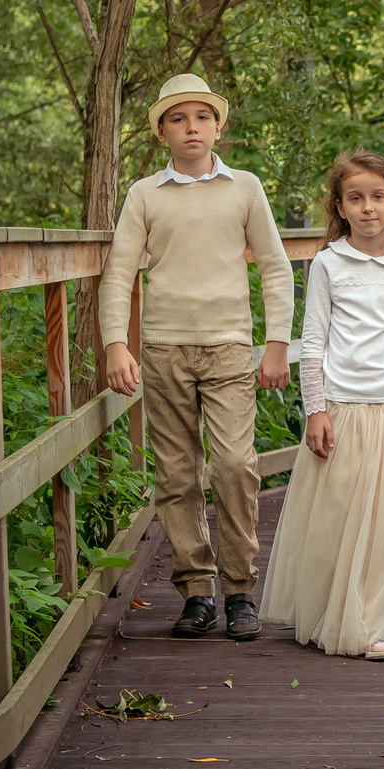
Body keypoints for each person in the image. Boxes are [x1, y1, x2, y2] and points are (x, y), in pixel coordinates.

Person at [99, 72, 295, 642]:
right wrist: (117, 342)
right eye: (179, 119)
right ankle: (196, 592)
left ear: (218, 126)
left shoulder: (245, 188)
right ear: (162, 131)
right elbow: (119, 273)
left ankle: (239, 589)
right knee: (177, 472)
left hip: (230, 345)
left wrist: (276, 341)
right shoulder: (144, 195)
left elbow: (276, 266)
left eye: (202, 117)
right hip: (163, 348)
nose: (192, 128)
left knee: (234, 464)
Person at [263, 153, 384, 658]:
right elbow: (314, 340)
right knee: (340, 516)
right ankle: (337, 611)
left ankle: (380, 624)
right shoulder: (328, 262)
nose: (368, 208)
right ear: (340, 208)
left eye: (377, 197)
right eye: (356, 198)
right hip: (344, 410)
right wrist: (316, 410)